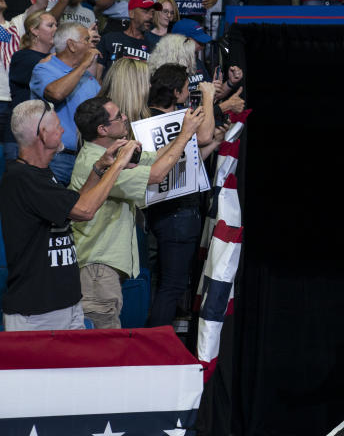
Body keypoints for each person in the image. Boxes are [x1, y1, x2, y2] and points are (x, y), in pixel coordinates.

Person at [0, 100, 139, 331]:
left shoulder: (42, 175)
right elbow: (84, 211)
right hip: (37, 312)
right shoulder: (21, 179)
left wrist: (99, 168)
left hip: (67, 303)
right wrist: (117, 167)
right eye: (57, 126)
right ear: (43, 134)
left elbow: (73, 205)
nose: (63, 130)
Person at [69, 96, 206, 328]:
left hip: (102, 268)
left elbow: (156, 159)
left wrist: (189, 134)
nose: (125, 117)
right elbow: (155, 176)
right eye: (119, 116)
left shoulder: (110, 154)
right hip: (97, 269)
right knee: (103, 346)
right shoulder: (95, 161)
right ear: (102, 129)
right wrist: (184, 134)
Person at [145, 64, 218, 327]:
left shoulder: (148, 119)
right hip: (176, 214)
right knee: (173, 286)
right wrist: (208, 97)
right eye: (186, 89)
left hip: (164, 212)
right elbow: (205, 134)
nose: (189, 94)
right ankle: (155, 349)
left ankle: (154, 343)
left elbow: (189, 159)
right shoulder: (167, 122)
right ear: (175, 92)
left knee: (164, 282)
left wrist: (215, 143)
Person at [29, 22, 101, 184]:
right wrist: (84, 65)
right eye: (86, 40)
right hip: (57, 158)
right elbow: (56, 93)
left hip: (86, 158)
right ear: (72, 45)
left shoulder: (86, 77)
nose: (91, 45)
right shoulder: (44, 69)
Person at [98, 0, 158, 76]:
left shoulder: (153, 48)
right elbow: (97, 76)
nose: (151, 16)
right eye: (146, 11)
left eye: (153, 13)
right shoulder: (109, 39)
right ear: (131, 13)